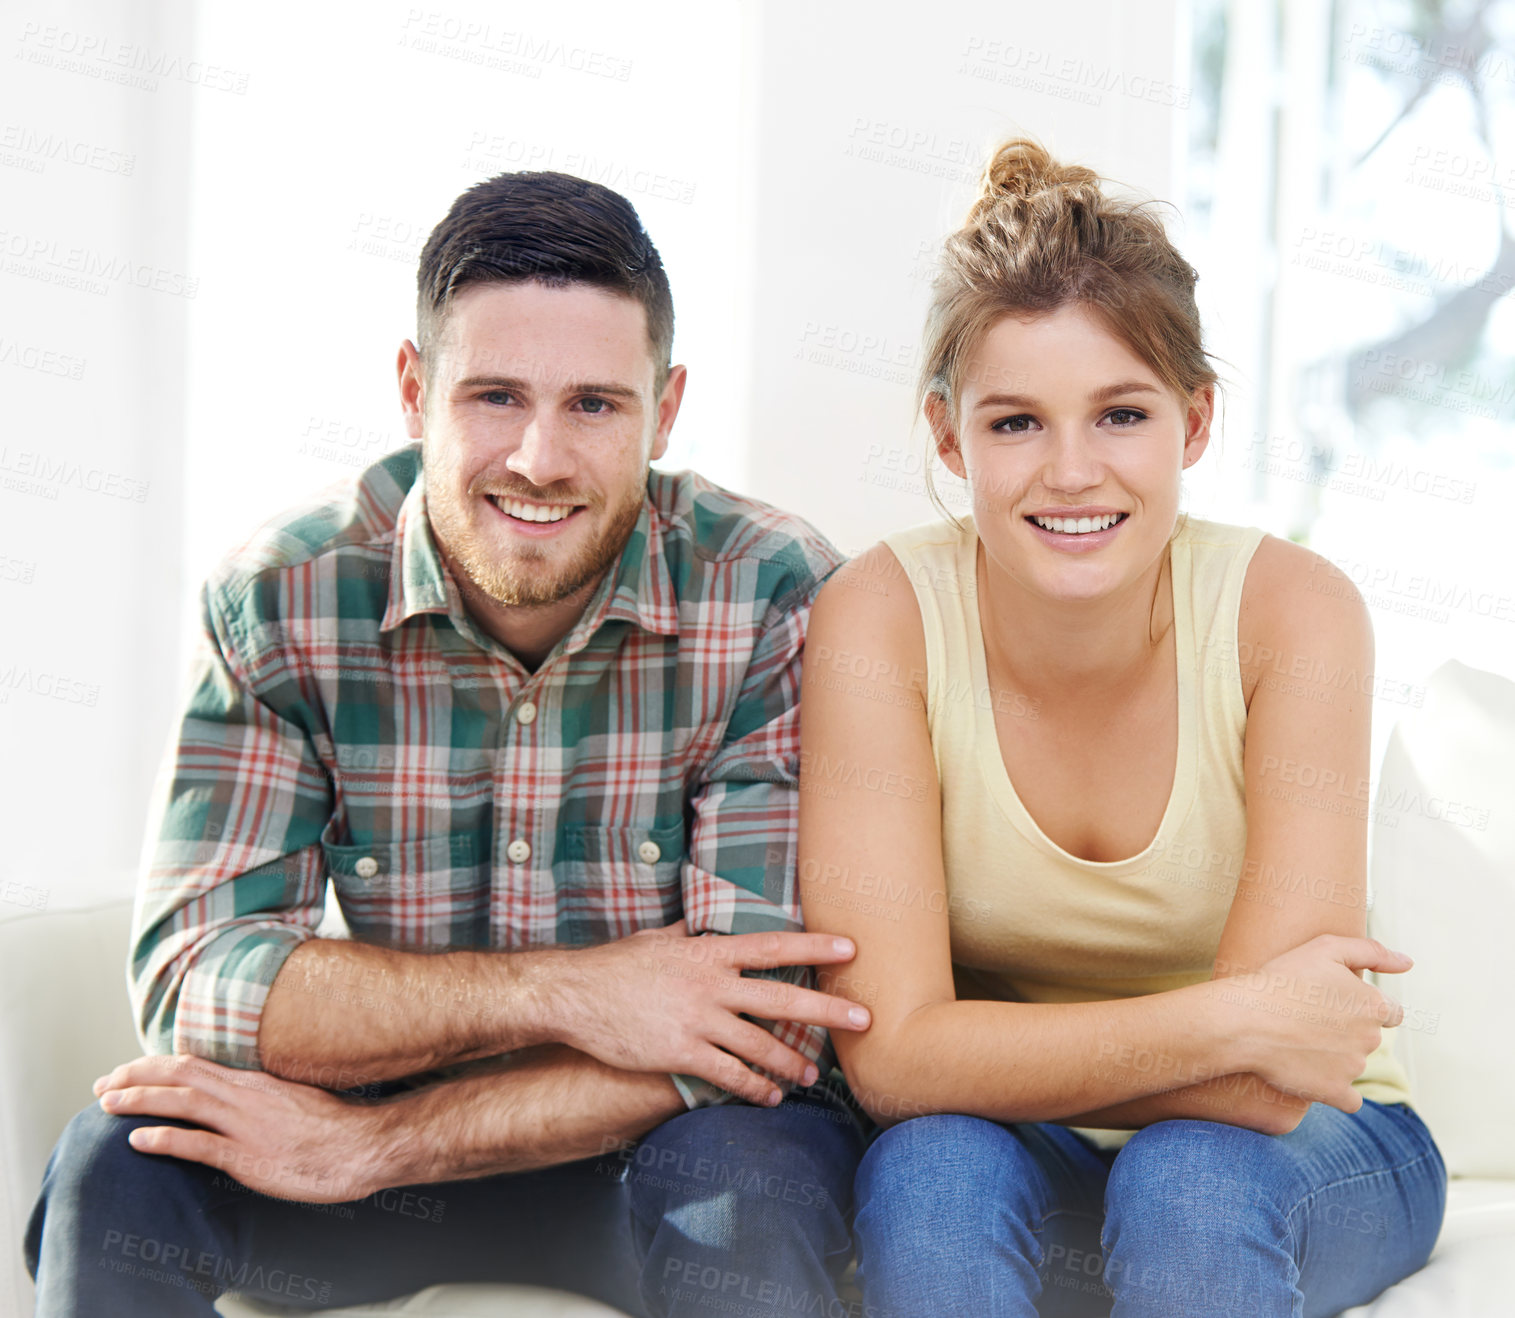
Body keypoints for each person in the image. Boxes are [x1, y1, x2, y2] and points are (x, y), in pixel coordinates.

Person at [25, 170, 873, 1318]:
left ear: (664, 411)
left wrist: (379, 1147)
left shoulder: (771, 590)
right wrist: (573, 993)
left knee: (754, 1179)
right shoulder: (282, 598)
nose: (537, 457)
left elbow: (760, 1026)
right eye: (493, 396)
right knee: (116, 1165)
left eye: (594, 405)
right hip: (369, 1136)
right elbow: (198, 982)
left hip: (658, 1143)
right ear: (414, 388)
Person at [797, 139, 1447, 1318]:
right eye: (1014, 425)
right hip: (1008, 1144)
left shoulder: (1291, 614)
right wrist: (1237, 1018)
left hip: (1313, 1144)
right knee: (931, 1174)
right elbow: (890, 1064)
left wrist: (976, 1055)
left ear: (1194, 424)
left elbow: (1274, 1084)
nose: (1072, 472)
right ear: (948, 439)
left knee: (1187, 1184)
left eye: (1122, 413)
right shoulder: (878, 618)